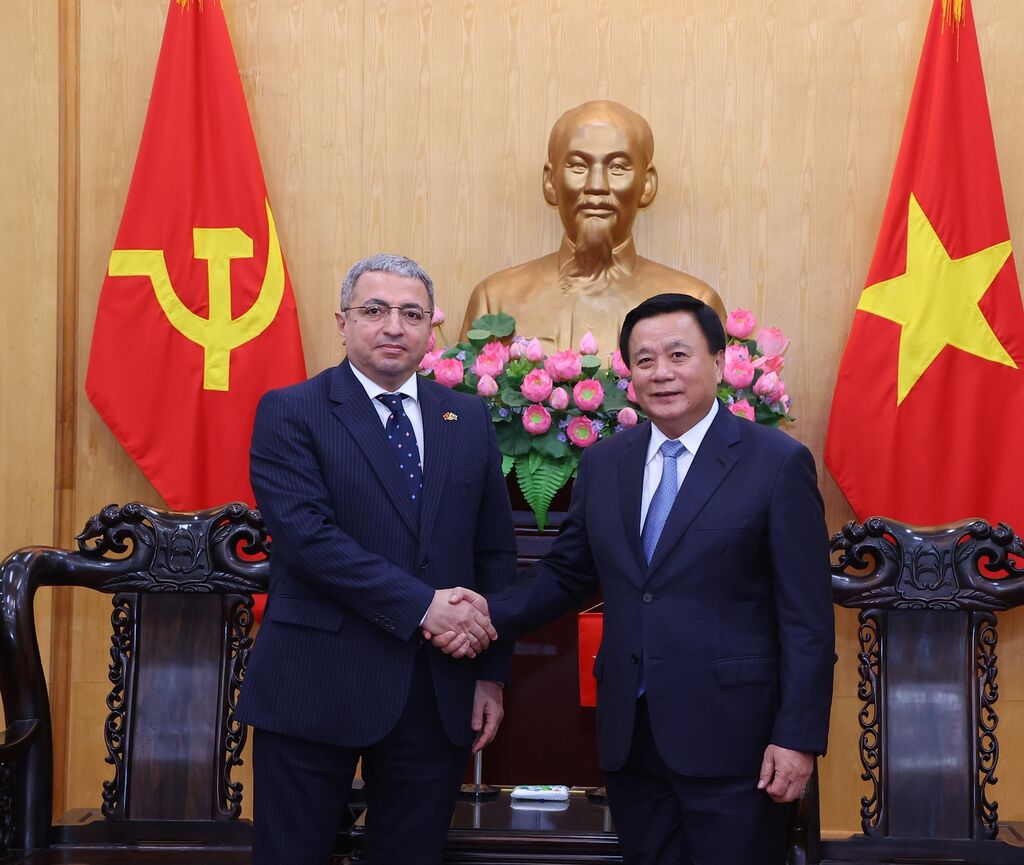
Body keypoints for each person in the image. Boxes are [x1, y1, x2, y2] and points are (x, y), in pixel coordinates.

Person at [438, 292, 834, 864]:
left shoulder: (776, 462)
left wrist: (797, 737)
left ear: (719, 361)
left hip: (737, 741)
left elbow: (808, 620)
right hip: (631, 737)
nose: (661, 372)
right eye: (644, 360)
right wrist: (481, 615)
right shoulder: (606, 462)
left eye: (679, 355)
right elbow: (569, 573)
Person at [237, 253, 517, 865]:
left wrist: (490, 673)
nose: (394, 326)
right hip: (315, 680)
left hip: (434, 689)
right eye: (374, 310)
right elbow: (309, 540)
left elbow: (494, 551)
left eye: (412, 314)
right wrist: (423, 607)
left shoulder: (466, 417)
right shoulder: (291, 410)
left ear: (431, 330)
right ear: (343, 322)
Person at [459, 100, 726, 355]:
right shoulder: (495, 300)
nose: (596, 185)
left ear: (647, 185)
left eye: (617, 167)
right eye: (578, 165)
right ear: (550, 182)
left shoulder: (695, 303)